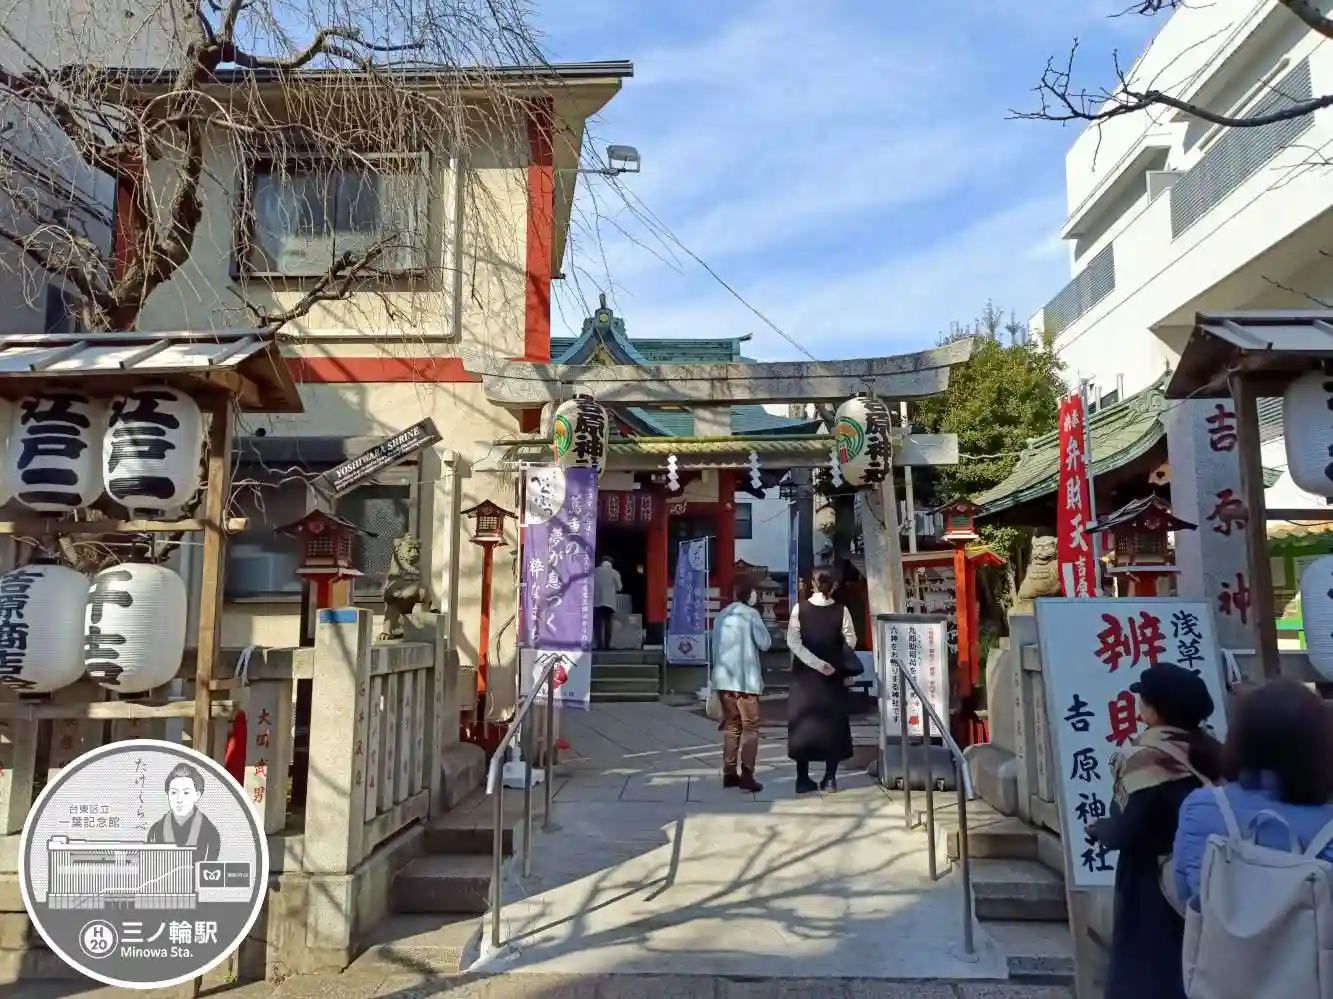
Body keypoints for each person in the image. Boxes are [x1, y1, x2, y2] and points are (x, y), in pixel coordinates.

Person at [1085, 664, 1222, 999]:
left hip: (1151, 885)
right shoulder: (1212, 750)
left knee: (1145, 973)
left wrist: (1103, 831)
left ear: (1155, 712)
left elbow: (1130, 829)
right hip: (1204, 878)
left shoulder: (1148, 759)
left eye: (1142, 699)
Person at [1172, 679, 1333, 902]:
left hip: (1220, 925)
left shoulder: (1201, 807)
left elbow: (1184, 891)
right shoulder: (1327, 825)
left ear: (1238, 738)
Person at [786, 568, 857, 794]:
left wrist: (815, 663)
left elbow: (793, 641)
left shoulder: (800, 609)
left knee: (803, 725)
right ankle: (830, 778)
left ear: (812, 584)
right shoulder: (841, 610)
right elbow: (851, 640)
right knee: (832, 726)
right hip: (832, 676)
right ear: (833, 585)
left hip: (804, 678)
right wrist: (832, 658)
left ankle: (802, 779)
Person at [711, 580, 773, 792]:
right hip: (746, 681)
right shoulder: (751, 615)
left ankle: (729, 772)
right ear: (749, 594)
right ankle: (747, 774)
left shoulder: (721, 615)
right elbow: (765, 643)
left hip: (723, 679)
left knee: (732, 726)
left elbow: (714, 647)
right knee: (750, 728)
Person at [147, 762, 223, 864]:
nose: (179, 800)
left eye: (186, 792)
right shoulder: (155, 831)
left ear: (197, 795)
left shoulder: (210, 832)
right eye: (174, 792)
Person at [592, 557, 621, 651]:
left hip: (597, 601)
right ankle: (607, 645)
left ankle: (599, 645)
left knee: (598, 623)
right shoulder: (614, 572)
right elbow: (619, 587)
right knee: (608, 623)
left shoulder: (594, 572)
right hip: (609, 602)